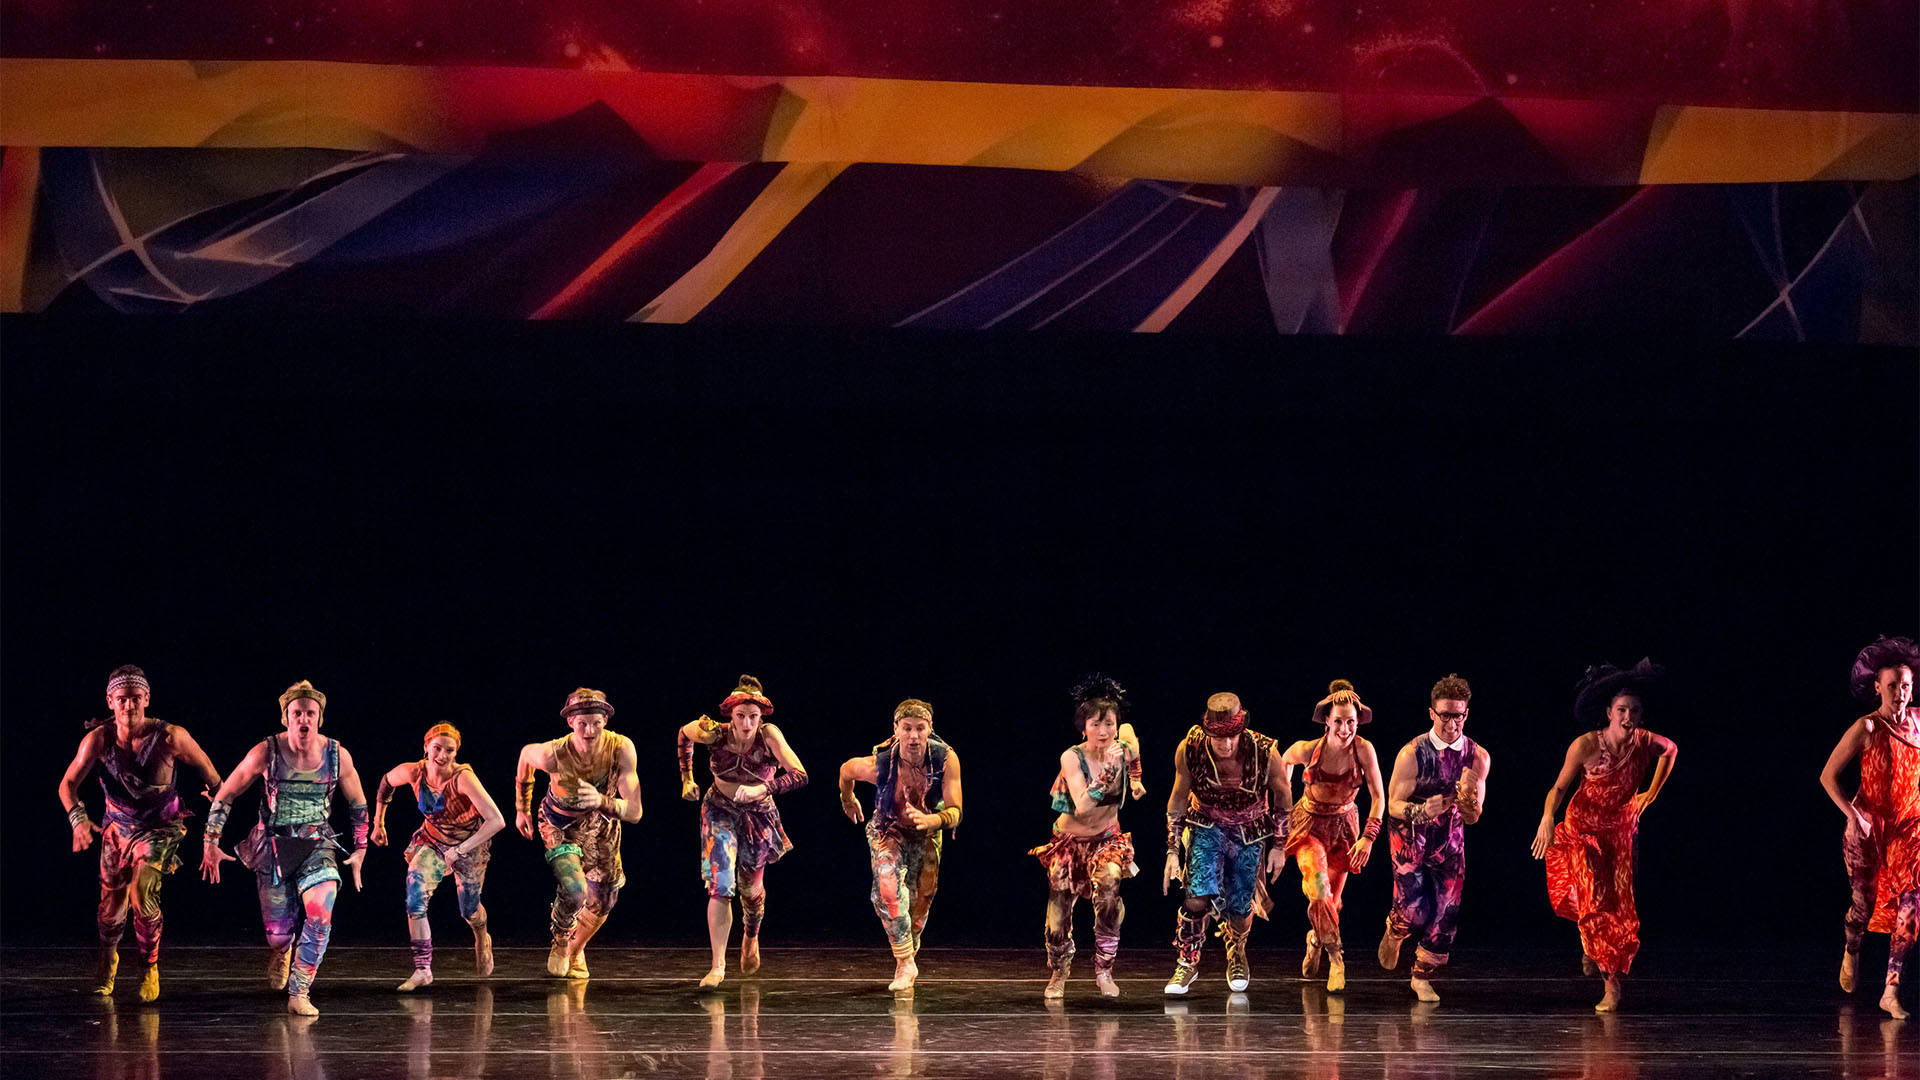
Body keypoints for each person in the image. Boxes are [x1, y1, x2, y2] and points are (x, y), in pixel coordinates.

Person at [201, 680, 370, 1017]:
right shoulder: (267, 751)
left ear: (319, 718)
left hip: (316, 844)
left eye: (310, 713)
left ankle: (300, 992)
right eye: (297, 713)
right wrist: (210, 841)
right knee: (278, 936)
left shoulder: (337, 755)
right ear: (286, 718)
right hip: (273, 847)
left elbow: (358, 803)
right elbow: (227, 793)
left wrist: (361, 848)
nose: (303, 719)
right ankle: (282, 951)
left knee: (321, 914)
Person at [58, 665, 223, 1001]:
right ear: (110, 701)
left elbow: (216, 778)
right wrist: (78, 819)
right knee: (110, 911)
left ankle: (149, 965)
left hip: (160, 828)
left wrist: (215, 810)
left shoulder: (171, 737)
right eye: (122, 699)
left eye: (135, 698)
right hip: (116, 830)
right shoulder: (98, 740)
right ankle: (108, 956)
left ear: (147, 698)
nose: (129, 706)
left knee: (142, 892)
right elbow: (68, 785)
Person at [1531, 659, 1679, 1013]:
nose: (1628, 717)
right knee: (1592, 902)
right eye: (1622, 710)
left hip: (1621, 832)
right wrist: (1547, 817)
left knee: (1619, 907)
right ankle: (1610, 984)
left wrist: (1651, 793)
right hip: (1584, 830)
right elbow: (1559, 787)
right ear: (1609, 712)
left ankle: (1594, 946)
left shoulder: (1644, 742)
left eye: (1635, 711)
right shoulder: (1585, 745)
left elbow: (1671, 749)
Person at [678, 675, 808, 987]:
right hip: (719, 809)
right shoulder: (715, 734)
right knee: (720, 886)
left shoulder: (768, 735)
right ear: (730, 715)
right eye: (740, 716)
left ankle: (751, 934)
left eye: (753, 716)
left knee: (750, 891)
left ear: (761, 716)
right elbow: (684, 734)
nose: (747, 723)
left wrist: (764, 788)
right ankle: (717, 966)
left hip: (758, 815)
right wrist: (686, 778)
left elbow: (800, 774)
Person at [1163, 691, 1291, 995]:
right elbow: (1178, 797)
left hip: (1249, 829)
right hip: (1206, 824)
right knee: (1196, 897)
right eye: (1219, 737)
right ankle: (1187, 962)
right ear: (1207, 731)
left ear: (1242, 729)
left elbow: (1283, 796)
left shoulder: (1264, 751)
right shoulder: (1190, 749)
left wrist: (1280, 845)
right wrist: (1172, 849)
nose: (1227, 743)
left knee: (1239, 905)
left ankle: (1236, 951)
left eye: (1233, 735)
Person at [1819, 635, 1920, 1019]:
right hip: (1867, 828)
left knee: (1912, 902)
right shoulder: (1866, 728)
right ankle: (1853, 947)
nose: (1900, 693)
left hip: (1910, 826)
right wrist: (1852, 814)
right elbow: (1828, 776)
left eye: (1906, 686)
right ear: (1877, 687)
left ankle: (1891, 988)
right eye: (1893, 686)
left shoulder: (1919, 721)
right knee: (1861, 907)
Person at [1029, 675, 1145, 998]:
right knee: (1057, 916)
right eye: (1096, 724)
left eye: (1110, 724)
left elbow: (1132, 741)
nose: (1104, 732)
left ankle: (1104, 969)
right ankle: (1059, 971)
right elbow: (1081, 804)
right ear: (1084, 727)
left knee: (1109, 891)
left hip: (1107, 839)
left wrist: (1134, 776)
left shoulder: (1122, 746)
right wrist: (1109, 772)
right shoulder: (1071, 757)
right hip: (1069, 844)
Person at [515, 687, 643, 980]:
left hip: (602, 826)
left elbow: (635, 812)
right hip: (560, 826)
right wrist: (522, 808)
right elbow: (525, 759)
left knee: (604, 899)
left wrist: (601, 801)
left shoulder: (621, 749)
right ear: (570, 721)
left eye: (596, 722)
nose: (589, 730)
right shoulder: (553, 753)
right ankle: (561, 937)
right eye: (582, 722)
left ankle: (576, 948)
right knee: (575, 889)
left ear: (605, 721)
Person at [1378, 673, 1491, 1002]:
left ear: (1466, 713)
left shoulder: (1477, 757)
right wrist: (1420, 811)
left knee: (1447, 910)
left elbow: (1474, 816)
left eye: (1458, 715)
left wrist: (1470, 806)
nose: (1452, 723)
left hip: (1449, 834)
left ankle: (1421, 975)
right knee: (1413, 909)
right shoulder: (1412, 753)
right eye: (1445, 715)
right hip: (1411, 831)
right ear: (1432, 713)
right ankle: (1396, 930)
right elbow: (1393, 806)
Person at [839, 698, 964, 993]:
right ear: (895, 730)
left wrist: (931, 821)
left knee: (918, 909)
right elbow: (846, 770)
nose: (913, 736)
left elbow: (957, 810)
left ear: (930, 729)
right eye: (906, 728)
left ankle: (907, 953)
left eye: (920, 728)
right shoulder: (881, 763)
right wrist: (847, 798)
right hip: (889, 829)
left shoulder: (945, 759)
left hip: (928, 833)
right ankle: (905, 961)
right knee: (887, 887)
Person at [373, 722, 508, 991]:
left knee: (469, 910)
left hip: (469, 845)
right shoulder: (414, 771)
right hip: (433, 841)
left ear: (457, 752)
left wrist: (459, 850)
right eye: (437, 748)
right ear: (426, 748)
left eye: (450, 750)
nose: (442, 756)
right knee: (414, 897)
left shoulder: (463, 778)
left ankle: (481, 934)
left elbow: (496, 821)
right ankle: (422, 969)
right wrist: (379, 822)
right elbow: (387, 782)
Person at [1279, 680, 1386, 993]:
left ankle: (1315, 939)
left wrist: (1368, 838)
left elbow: (1379, 797)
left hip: (1344, 831)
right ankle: (1336, 958)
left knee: (1331, 903)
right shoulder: (1308, 749)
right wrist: (1285, 795)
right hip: (1309, 826)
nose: (1345, 728)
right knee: (1318, 888)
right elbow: (1284, 760)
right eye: (1338, 721)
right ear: (1326, 720)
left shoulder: (1364, 750)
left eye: (1350, 721)